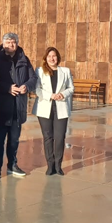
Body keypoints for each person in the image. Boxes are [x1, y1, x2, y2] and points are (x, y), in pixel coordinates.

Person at [0, 32, 38, 181]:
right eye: (8, 42)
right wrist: (7, 88)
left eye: (13, 42)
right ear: (3, 44)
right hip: (2, 107)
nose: (11, 45)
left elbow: (33, 78)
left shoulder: (24, 59)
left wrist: (26, 87)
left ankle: (12, 165)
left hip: (18, 107)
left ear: (17, 43)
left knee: (14, 140)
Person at [32, 47, 74, 175]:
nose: (52, 58)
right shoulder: (39, 71)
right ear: (45, 58)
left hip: (61, 107)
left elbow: (71, 88)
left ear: (58, 58)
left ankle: (58, 164)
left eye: (54, 56)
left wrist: (63, 94)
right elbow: (36, 89)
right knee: (48, 137)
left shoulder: (65, 71)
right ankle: (50, 165)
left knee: (60, 137)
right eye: (49, 56)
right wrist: (50, 95)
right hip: (45, 107)